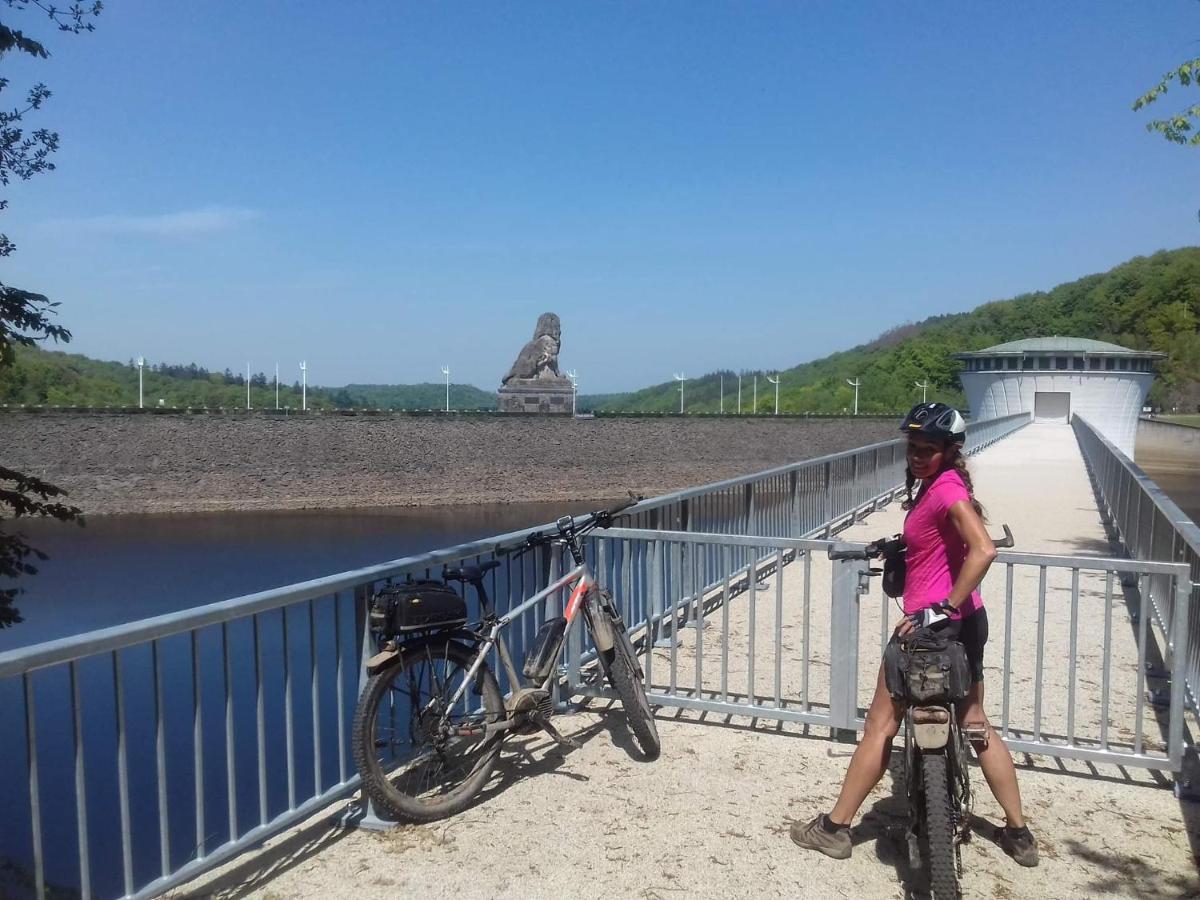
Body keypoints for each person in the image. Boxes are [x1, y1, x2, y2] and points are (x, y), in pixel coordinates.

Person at [790, 402, 1039, 867]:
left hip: (930, 627)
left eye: (929, 449)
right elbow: (948, 543)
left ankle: (834, 829)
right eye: (913, 448)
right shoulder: (941, 487)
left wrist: (938, 608)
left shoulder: (944, 491)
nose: (918, 456)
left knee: (880, 726)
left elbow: (983, 550)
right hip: (970, 622)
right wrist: (901, 544)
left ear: (950, 450)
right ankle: (1019, 834)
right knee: (976, 723)